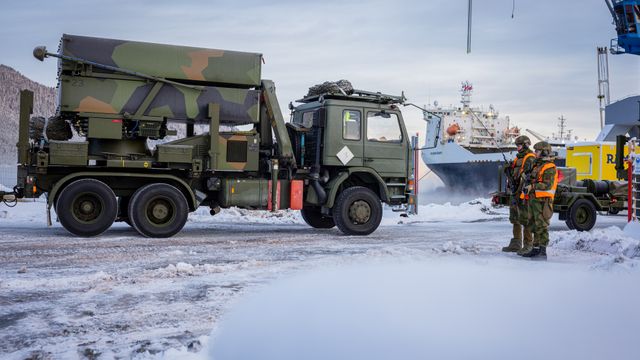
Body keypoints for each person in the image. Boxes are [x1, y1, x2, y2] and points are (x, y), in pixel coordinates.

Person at [521, 141, 558, 260]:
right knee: (533, 224)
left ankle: (543, 251)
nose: (535, 153)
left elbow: (547, 185)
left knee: (541, 225)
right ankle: (536, 249)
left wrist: (532, 186)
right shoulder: (537, 165)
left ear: (544, 152)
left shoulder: (549, 167)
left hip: (543, 201)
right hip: (534, 200)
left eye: (537, 151)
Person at [502, 135, 535, 254]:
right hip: (515, 192)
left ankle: (528, 245)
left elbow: (529, 177)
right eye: (517, 146)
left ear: (526, 145)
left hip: (523, 194)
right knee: (515, 218)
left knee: (525, 219)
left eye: (519, 145)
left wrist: (522, 191)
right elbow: (515, 174)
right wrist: (509, 170)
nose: (517, 148)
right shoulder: (518, 158)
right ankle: (516, 243)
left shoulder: (530, 158)